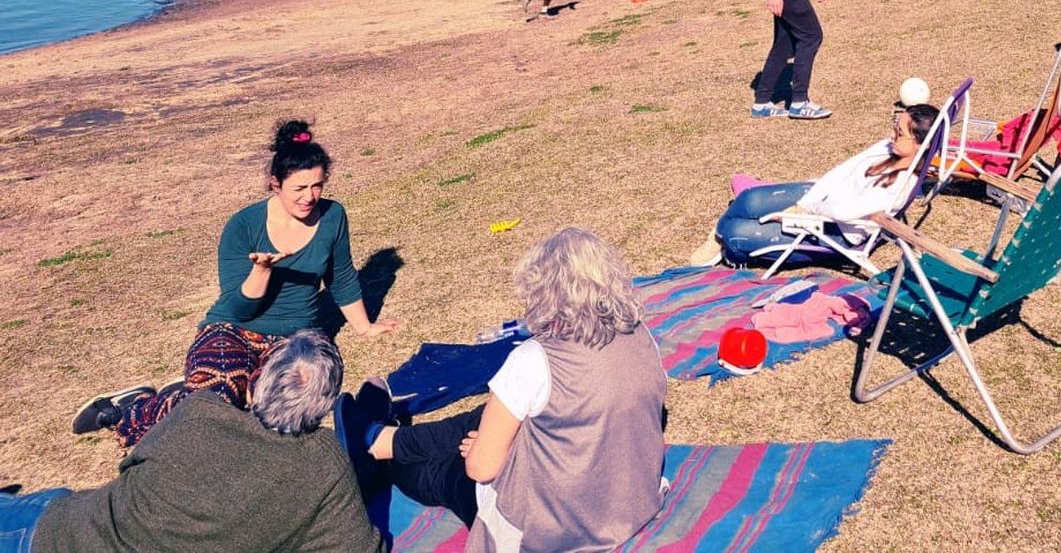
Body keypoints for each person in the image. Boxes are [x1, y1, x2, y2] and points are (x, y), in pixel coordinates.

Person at [71, 120, 402, 446]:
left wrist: (364, 327)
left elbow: (341, 276)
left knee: (287, 409)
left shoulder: (333, 216)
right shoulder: (243, 226)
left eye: (317, 186)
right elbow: (239, 307)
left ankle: (199, 388)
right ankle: (129, 409)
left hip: (298, 337)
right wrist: (261, 271)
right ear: (275, 184)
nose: (309, 197)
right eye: (299, 188)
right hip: (234, 327)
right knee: (213, 406)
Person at [343, 228, 666, 553]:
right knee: (482, 420)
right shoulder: (641, 337)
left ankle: (379, 455)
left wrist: (498, 451)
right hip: (627, 506)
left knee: (447, 472)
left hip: (548, 529)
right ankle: (381, 439)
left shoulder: (535, 359)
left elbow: (481, 468)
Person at [9, 332, 383, 552]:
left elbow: (130, 468)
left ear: (256, 383)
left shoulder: (201, 412)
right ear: (323, 405)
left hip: (59, 532)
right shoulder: (324, 464)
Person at [690, 102, 942, 267]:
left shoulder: (899, 188)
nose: (891, 135)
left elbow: (841, 213)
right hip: (819, 198)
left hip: (833, 231)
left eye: (899, 133)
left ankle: (725, 237)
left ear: (921, 145)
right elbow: (842, 170)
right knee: (749, 199)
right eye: (894, 127)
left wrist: (805, 213)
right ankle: (718, 234)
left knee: (736, 234)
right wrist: (804, 202)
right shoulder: (886, 148)